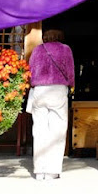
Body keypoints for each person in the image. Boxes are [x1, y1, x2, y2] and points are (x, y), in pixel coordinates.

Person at [28, 29, 75, 180]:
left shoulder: (37, 50)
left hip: (39, 91)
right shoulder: (65, 49)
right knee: (58, 130)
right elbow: (70, 71)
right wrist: (72, 86)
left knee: (40, 130)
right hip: (58, 90)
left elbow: (30, 71)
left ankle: (40, 170)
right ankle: (52, 170)